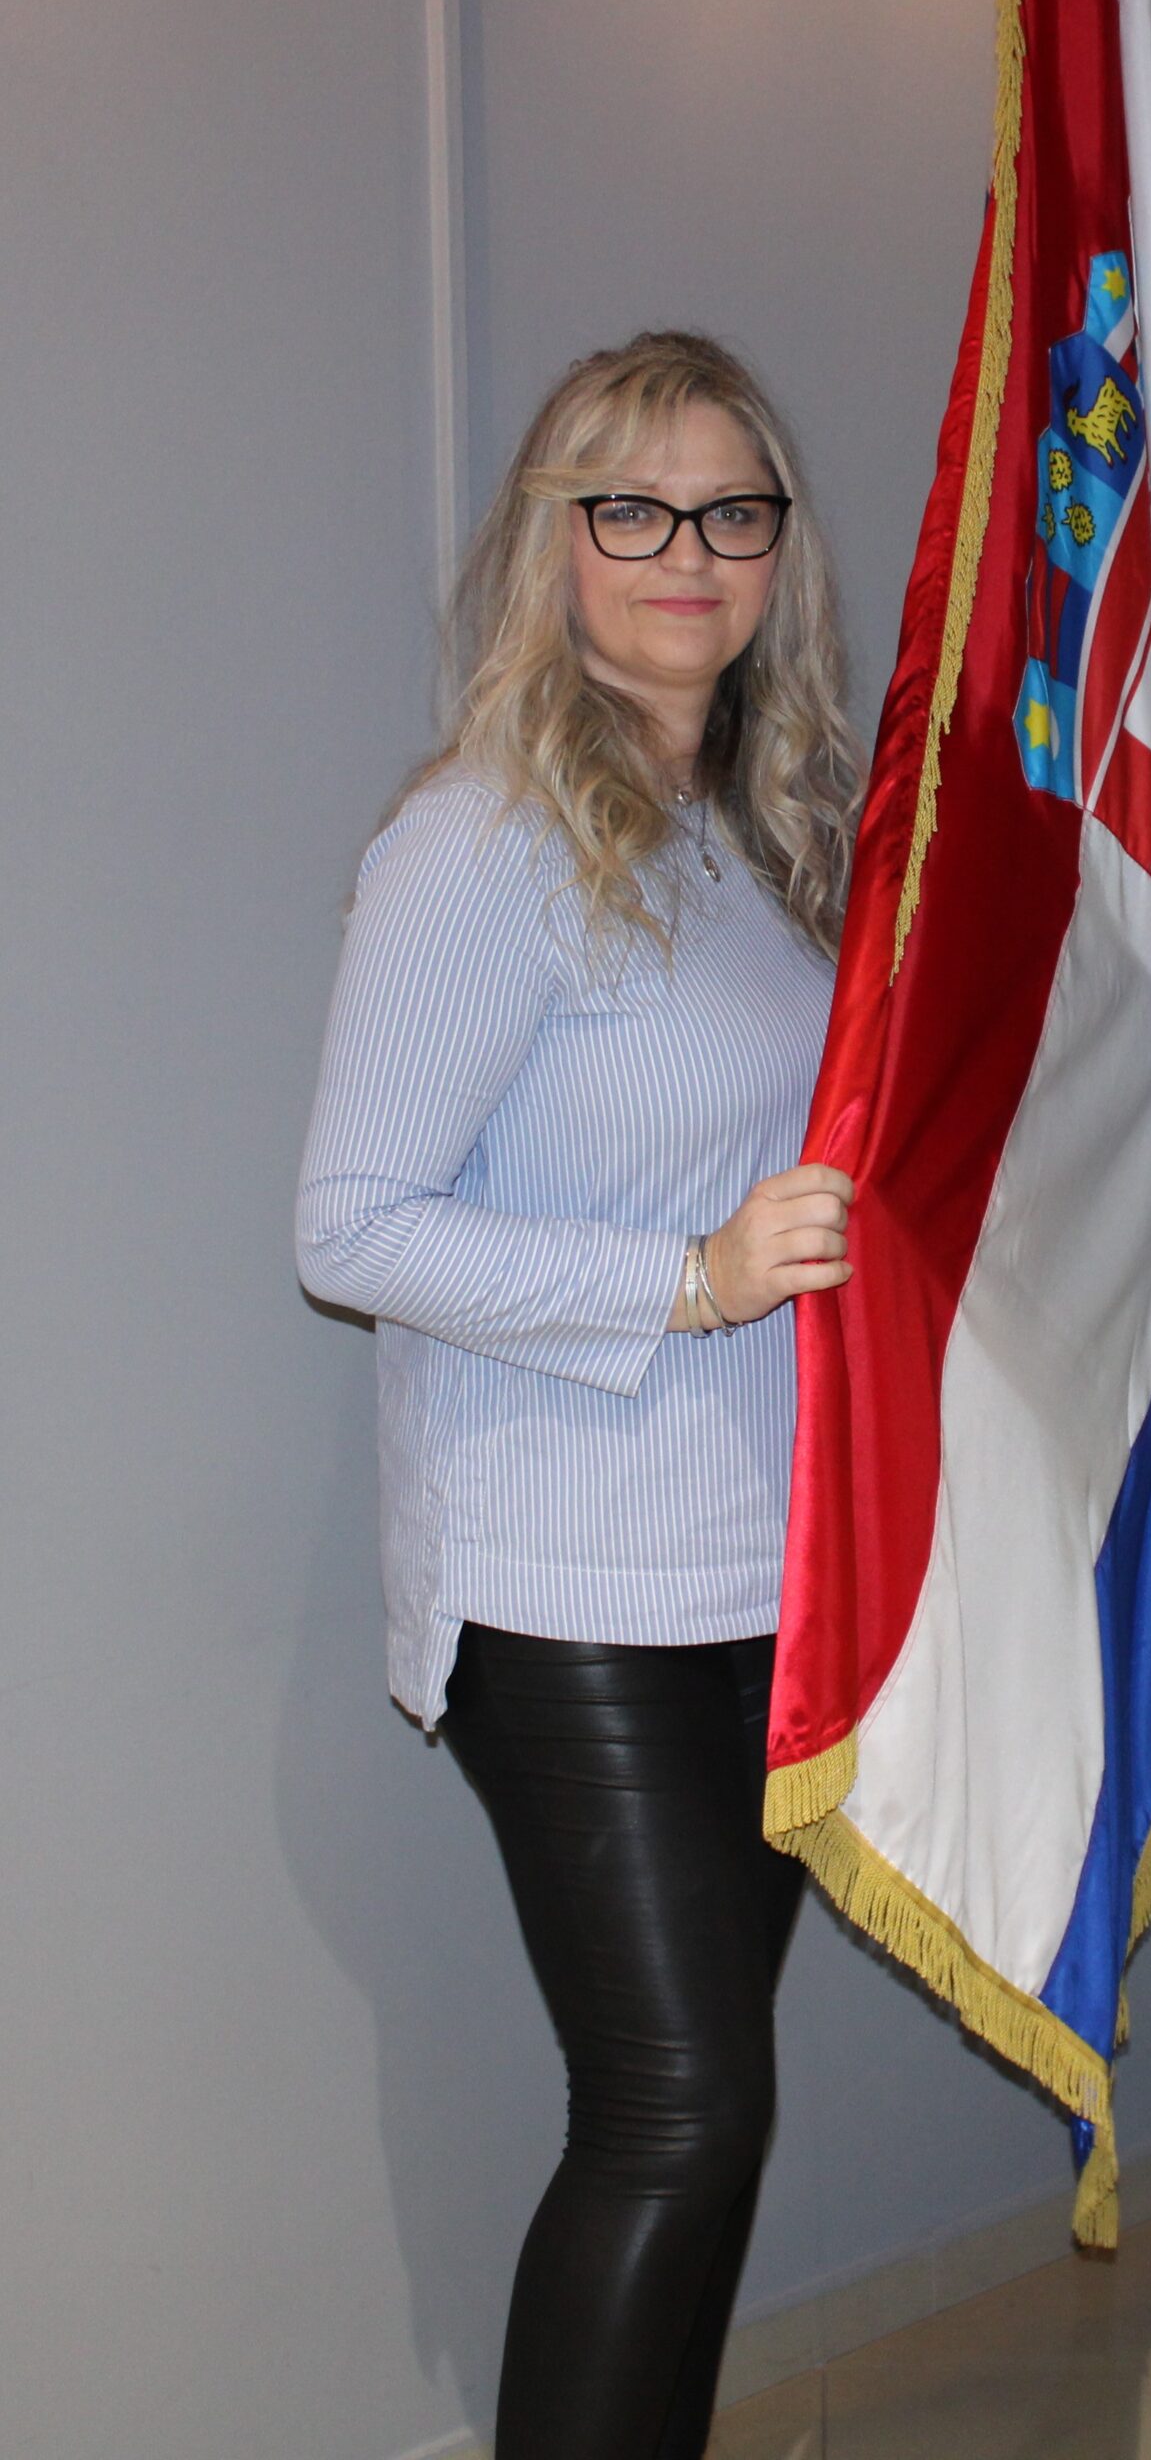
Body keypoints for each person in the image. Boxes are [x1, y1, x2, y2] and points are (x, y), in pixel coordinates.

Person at [296, 328, 859, 2460]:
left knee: (707, 2122)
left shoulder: (761, 843)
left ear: (778, 549)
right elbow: (352, 1226)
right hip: (562, 1585)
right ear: (554, 542)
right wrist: (688, 1279)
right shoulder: (482, 839)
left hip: (758, 1570)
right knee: (676, 2108)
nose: (685, 551)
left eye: (731, 508)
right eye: (631, 507)